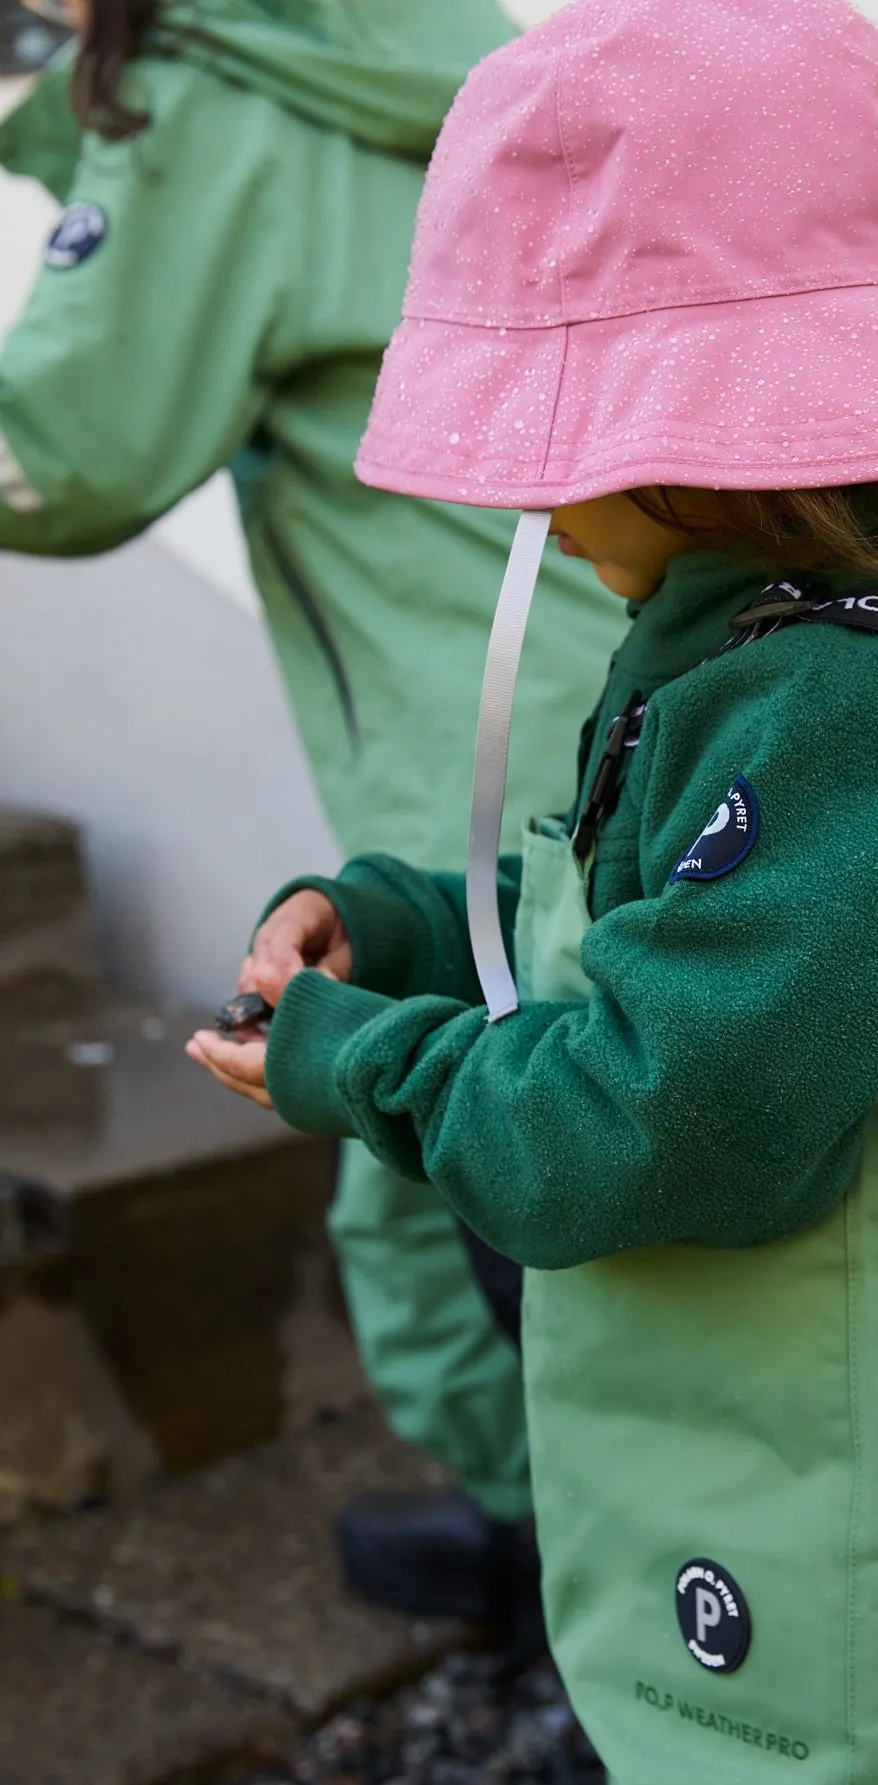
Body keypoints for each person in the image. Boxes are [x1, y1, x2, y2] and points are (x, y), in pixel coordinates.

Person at [189, 0, 878, 1785]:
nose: (532, 486)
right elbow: (666, 937)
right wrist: (417, 924)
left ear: (740, 441)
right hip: (814, 1511)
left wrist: (363, 1062)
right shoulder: (769, 655)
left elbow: (643, 1116)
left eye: (568, 424)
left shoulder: (866, 724)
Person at [0, 0, 624, 1628]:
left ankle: (605, 1611)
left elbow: (66, 455)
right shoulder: (414, 55)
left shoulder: (214, 111)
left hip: (469, 758)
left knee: (490, 1203)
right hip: (621, 690)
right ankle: (547, 1549)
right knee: (468, 1192)